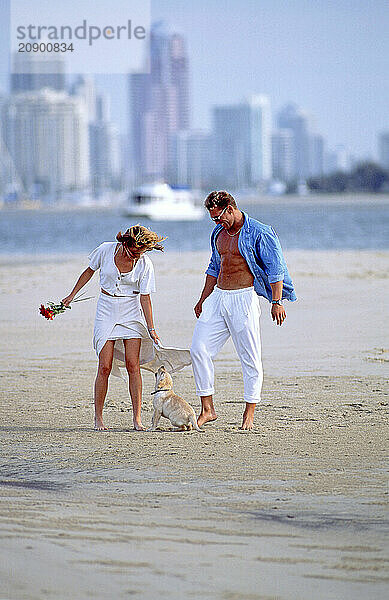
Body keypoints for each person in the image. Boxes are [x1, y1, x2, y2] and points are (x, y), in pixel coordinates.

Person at [190, 191, 297, 430]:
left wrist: (276, 302)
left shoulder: (260, 231)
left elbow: (275, 268)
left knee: (250, 358)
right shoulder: (218, 233)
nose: (217, 222)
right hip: (218, 298)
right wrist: (202, 299)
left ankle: (249, 412)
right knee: (198, 349)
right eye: (213, 218)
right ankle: (208, 409)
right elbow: (213, 268)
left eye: (219, 217)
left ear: (230, 208)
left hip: (243, 299)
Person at [62, 225, 166, 431]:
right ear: (125, 243)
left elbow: (146, 298)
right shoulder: (106, 250)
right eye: (135, 251)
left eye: (141, 252)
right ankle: (98, 417)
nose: (137, 256)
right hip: (106, 310)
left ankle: (137, 419)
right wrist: (71, 295)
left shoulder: (145, 264)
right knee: (105, 366)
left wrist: (151, 328)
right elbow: (89, 271)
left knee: (133, 365)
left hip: (131, 311)